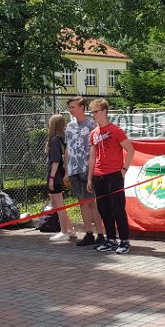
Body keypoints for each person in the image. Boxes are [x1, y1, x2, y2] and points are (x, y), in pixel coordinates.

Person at [87, 99, 134, 254]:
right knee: (103, 209)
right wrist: (90, 177)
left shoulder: (116, 130)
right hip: (98, 175)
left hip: (114, 174)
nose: (93, 115)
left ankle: (124, 240)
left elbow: (130, 150)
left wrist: (124, 169)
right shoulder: (93, 133)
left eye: (96, 111)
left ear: (104, 112)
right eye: (92, 112)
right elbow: (92, 156)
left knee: (117, 208)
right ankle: (111, 239)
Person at [64, 96, 105, 248]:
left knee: (92, 202)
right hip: (74, 169)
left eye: (73, 107)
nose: (70, 110)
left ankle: (101, 234)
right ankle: (89, 233)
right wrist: (67, 170)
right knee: (82, 202)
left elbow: (98, 147)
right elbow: (68, 149)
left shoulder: (92, 124)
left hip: (89, 169)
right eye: (69, 107)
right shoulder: (69, 126)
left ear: (82, 107)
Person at [46, 114, 76, 242]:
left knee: (59, 205)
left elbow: (56, 160)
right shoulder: (60, 140)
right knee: (56, 203)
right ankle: (70, 229)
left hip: (55, 176)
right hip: (58, 175)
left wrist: (51, 178)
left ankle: (64, 232)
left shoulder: (54, 140)